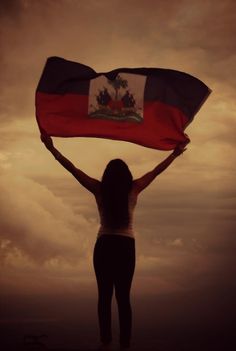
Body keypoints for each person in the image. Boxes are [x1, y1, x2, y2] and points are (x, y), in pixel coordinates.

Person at [40, 134, 186, 349]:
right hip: (126, 246)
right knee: (123, 298)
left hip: (104, 245)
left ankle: (105, 341)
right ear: (127, 175)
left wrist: (52, 148)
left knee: (104, 297)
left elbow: (72, 169)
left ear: (107, 175)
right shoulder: (134, 188)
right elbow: (156, 171)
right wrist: (174, 154)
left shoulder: (99, 189)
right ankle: (125, 344)